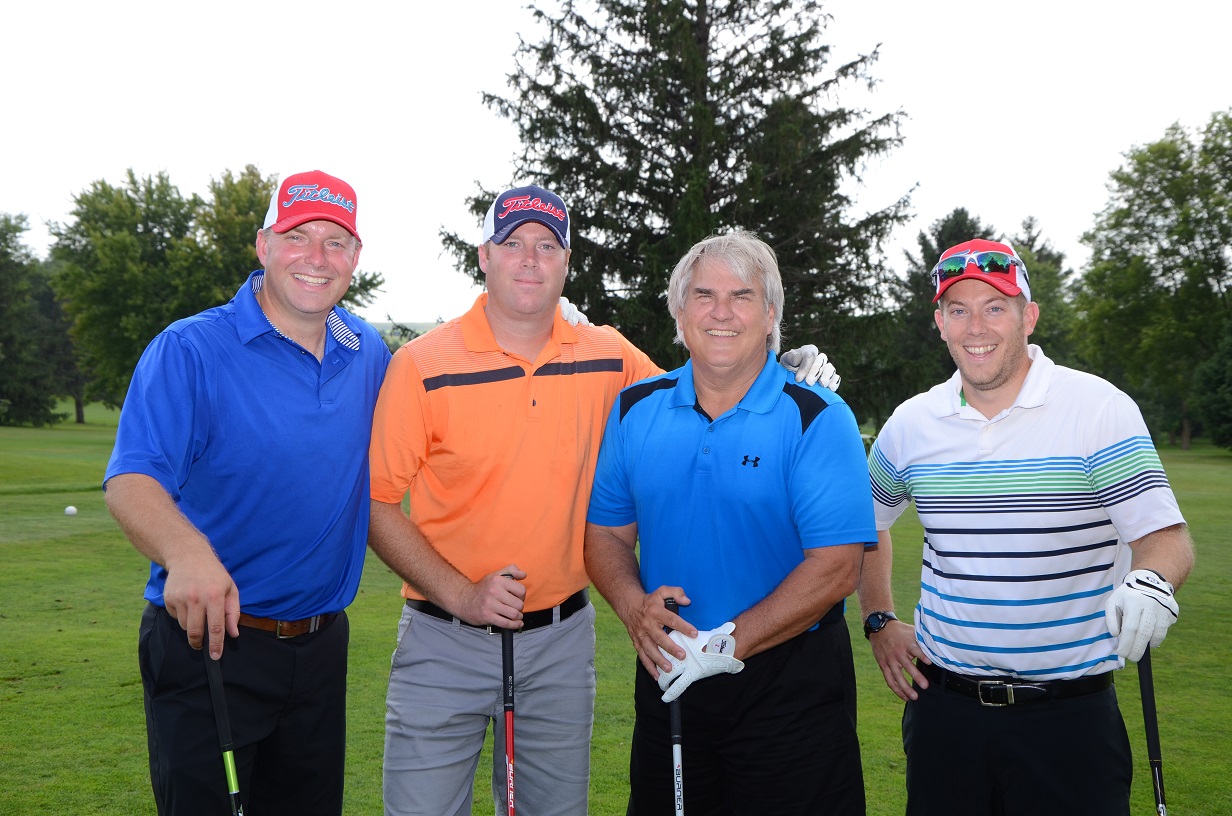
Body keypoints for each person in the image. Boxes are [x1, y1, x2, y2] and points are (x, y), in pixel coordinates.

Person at [367, 187, 838, 816]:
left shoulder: (610, 356)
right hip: (443, 637)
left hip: (560, 643)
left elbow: (706, 377)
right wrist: (459, 594)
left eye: (547, 245)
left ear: (566, 261)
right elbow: (376, 503)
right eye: (513, 244)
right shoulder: (422, 364)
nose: (530, 259)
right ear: (485, 256)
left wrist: (786, 367)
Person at [857, 238, 1196, 816]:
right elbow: (867, 526)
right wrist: (879, 618)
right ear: (939, 323)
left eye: (995, 307)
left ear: (1028, 316)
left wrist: (1152, 582)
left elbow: (1165, 538)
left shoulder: (1097, 407)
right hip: (946, 716)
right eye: (958, 309)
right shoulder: (912, 423)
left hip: (1070, 719)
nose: (975, 326)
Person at [104, 170, 391, 815]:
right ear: (264, 246)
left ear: (356, 258)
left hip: (321, 649)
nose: (317, 258)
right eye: (298, 236)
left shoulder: (366, 352)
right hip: (212, 642)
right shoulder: (189, 349)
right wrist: (188, 554)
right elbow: (132, 479)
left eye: (336, 242)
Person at [584, 229, 875, 815]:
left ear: (770, 316)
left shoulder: (817, 415)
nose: (721, 312)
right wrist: (633, 605)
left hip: (789, 689)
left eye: (742, 296)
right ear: (679, 311)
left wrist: (725, 643)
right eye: (703, 295)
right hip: (670, 678)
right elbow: (605, 537)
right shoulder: (635, 409)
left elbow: (838, 568)